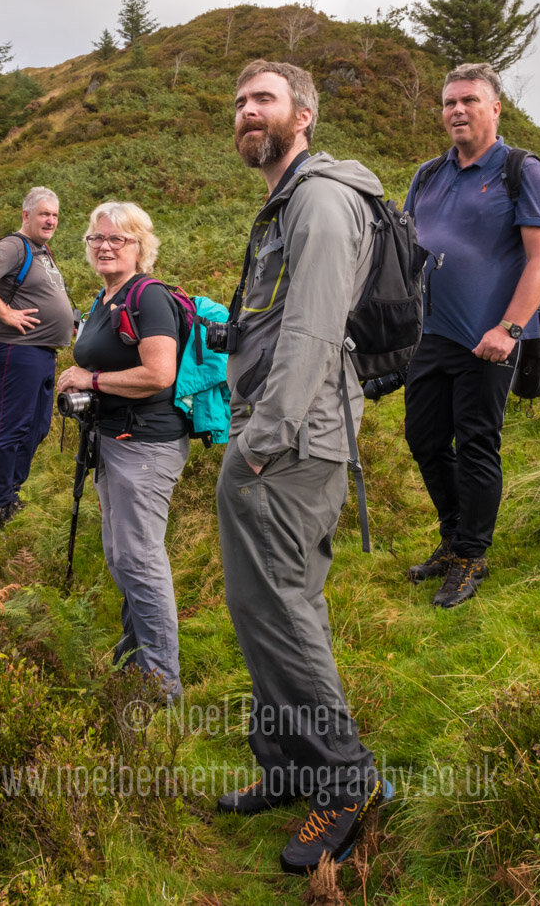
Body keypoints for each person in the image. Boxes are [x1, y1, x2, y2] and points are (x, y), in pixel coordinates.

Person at [214, 59, 390, 875]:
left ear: (304, 114)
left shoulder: (319, 200)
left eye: (265, 100)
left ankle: (345, 780)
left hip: (288, 442)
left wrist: (261, 439)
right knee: (273, 605)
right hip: (285, 432)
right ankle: (288, 766)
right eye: (242, 102)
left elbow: (314, 331)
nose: (249, 112)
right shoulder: (289, 197)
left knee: (278, 605)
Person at [401, 63, 540, 607]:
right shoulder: (427, 174)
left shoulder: (520, 169)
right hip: (431, 334)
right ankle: (453, 537)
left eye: (469, 100)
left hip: (489, 339)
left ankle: (471, 554)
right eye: (449, 102)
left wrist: (510, 328)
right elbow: (405, 251)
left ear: (495, 108)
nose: (457, 110)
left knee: (474, 444)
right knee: (424, 439)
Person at [54, 202, 189, 699]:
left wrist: (90, 378)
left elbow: (159, 374)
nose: (106, 246)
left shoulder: (147, 298)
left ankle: (160, 680)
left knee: (140, 558)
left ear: (140, 247)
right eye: (97, 239)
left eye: (119, 239)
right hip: (112, 440)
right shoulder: (105, 296)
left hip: (146, 445)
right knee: (121, 555)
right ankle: (136, 652)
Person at [0, 187, 72, 529]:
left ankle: (12, 492)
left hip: (44, 352)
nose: (50, 220)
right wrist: (5, 312)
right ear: (26, 215)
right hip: (19, 350)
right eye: (43, 214)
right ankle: (1, 506)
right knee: (14, 426)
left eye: (54, 214)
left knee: (38, 427)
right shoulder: (14, 245)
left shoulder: (43, 251)